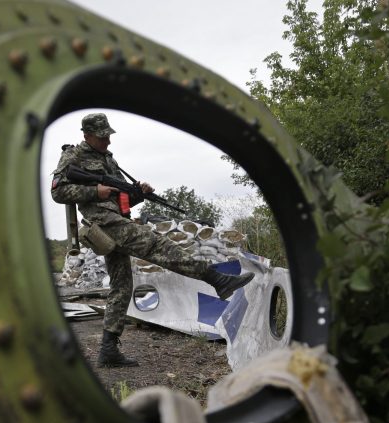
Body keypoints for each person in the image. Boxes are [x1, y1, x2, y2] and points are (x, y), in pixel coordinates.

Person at [51, 113, 255, 367]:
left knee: (122, 285)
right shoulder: (73, 156)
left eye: (108, 136)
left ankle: (108, 350)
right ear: (87, 135)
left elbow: (120, 199)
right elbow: (57, 191)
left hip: (115, 221)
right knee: (159, 245)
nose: (108, 142)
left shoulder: (109, 159)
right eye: (102, 137)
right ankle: (217, 279)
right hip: (103, 223)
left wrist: (138, 194)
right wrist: (94, 191)